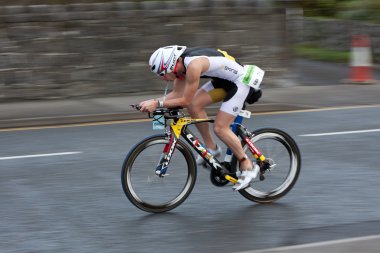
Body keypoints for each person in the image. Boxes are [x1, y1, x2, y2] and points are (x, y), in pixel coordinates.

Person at [139, 45, 264, 191]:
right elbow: (177, 94)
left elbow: (184, 100)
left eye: (163, 73)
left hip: (240, 82)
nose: (164, 78)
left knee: (220, 128)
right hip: (222, 82)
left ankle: (247, 165)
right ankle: (212, 148)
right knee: (194, 106)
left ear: (172, 64)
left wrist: (157, 103)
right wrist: (151, 102)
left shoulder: (193, 65)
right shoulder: (180, 68)